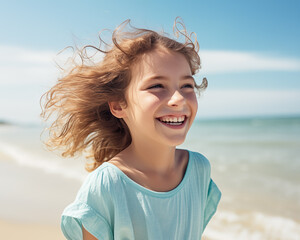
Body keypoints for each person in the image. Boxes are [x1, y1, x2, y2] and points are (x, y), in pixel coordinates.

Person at [40, 18, 221, 240]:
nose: (179, 99)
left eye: (187, 85)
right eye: (157, 86)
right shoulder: (106, 186)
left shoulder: (198, 170)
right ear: (118, 105)